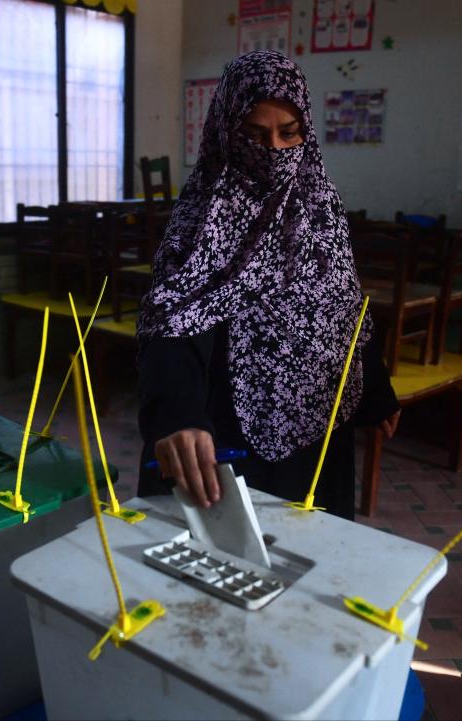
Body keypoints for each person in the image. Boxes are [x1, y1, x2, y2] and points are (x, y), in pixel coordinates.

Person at [135, 50, 400, 521]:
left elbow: (341, 306)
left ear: (307, 134)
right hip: (225, 435)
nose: (274, 151)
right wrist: (178, 414)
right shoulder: (203, 217)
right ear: (226, 133)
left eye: (288, 133)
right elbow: (173, 322)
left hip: (317, 432)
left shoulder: (319, 209)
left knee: (311, 564)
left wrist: (374, 388)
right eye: (254, 135)